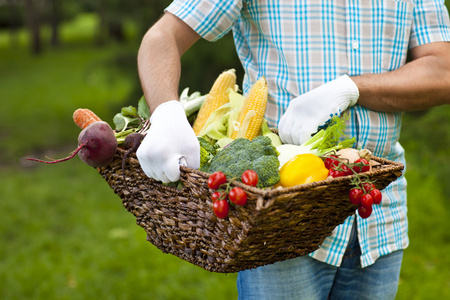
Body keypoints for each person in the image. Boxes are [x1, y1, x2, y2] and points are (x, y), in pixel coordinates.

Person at [136, 1, 450, 299]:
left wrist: (352, 88)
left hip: (378, 213)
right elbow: (163, 37)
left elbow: (442, 71)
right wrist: (165, 111)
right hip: (280, 218)